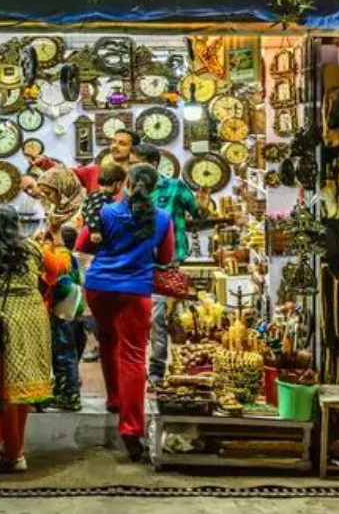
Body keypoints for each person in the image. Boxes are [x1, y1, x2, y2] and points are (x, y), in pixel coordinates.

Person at [0, 206, 70, 472]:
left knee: (5, 390)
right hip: (33, 318)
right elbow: (58, 269)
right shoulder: (31, 248)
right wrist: (58, 241)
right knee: (24, 389)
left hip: (2, 321)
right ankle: (14, 449)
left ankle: (14, 452)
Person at [76, 164, 174, 462]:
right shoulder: (162, 218)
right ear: (154, 187)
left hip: (100, 286)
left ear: (126, 183)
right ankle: (131, 429)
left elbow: (82, 245)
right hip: (135, 290)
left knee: (107, 341)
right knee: (133, 356)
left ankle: (114, 400)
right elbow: (166, 259)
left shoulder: (105, 213)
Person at [134, 143, 205, 385]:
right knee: (135, 318)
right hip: (134, 262)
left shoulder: (174, 187)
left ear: (152, 164)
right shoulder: (128, 191)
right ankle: (135, 368)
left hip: (165, 264)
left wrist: (202, 204)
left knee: (157, 319)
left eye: (137, 162)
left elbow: (199, 214)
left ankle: (155, 370)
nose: (132, 167)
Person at [25, 128, 141, 193]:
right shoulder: (95, 171)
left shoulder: (140, 176)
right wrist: (44, 163)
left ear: (133, 149)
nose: (115, 146)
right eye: (113, 142)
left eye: (122, 144)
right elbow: (66, 174)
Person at [45, 224, 85, 411]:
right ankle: (63, 391)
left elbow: (65, 285)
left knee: (64, 354)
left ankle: (70, 395)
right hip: (73, 312)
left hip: (64, 312)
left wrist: (50, 296)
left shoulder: (62, 256)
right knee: (65, 353)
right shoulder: (71, 256)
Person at [82, 164, 127, 244]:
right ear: (118, 184)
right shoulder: (100, 197)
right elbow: (92, 212)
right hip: (94, 239)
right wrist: (95, 231)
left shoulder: (94, 195)